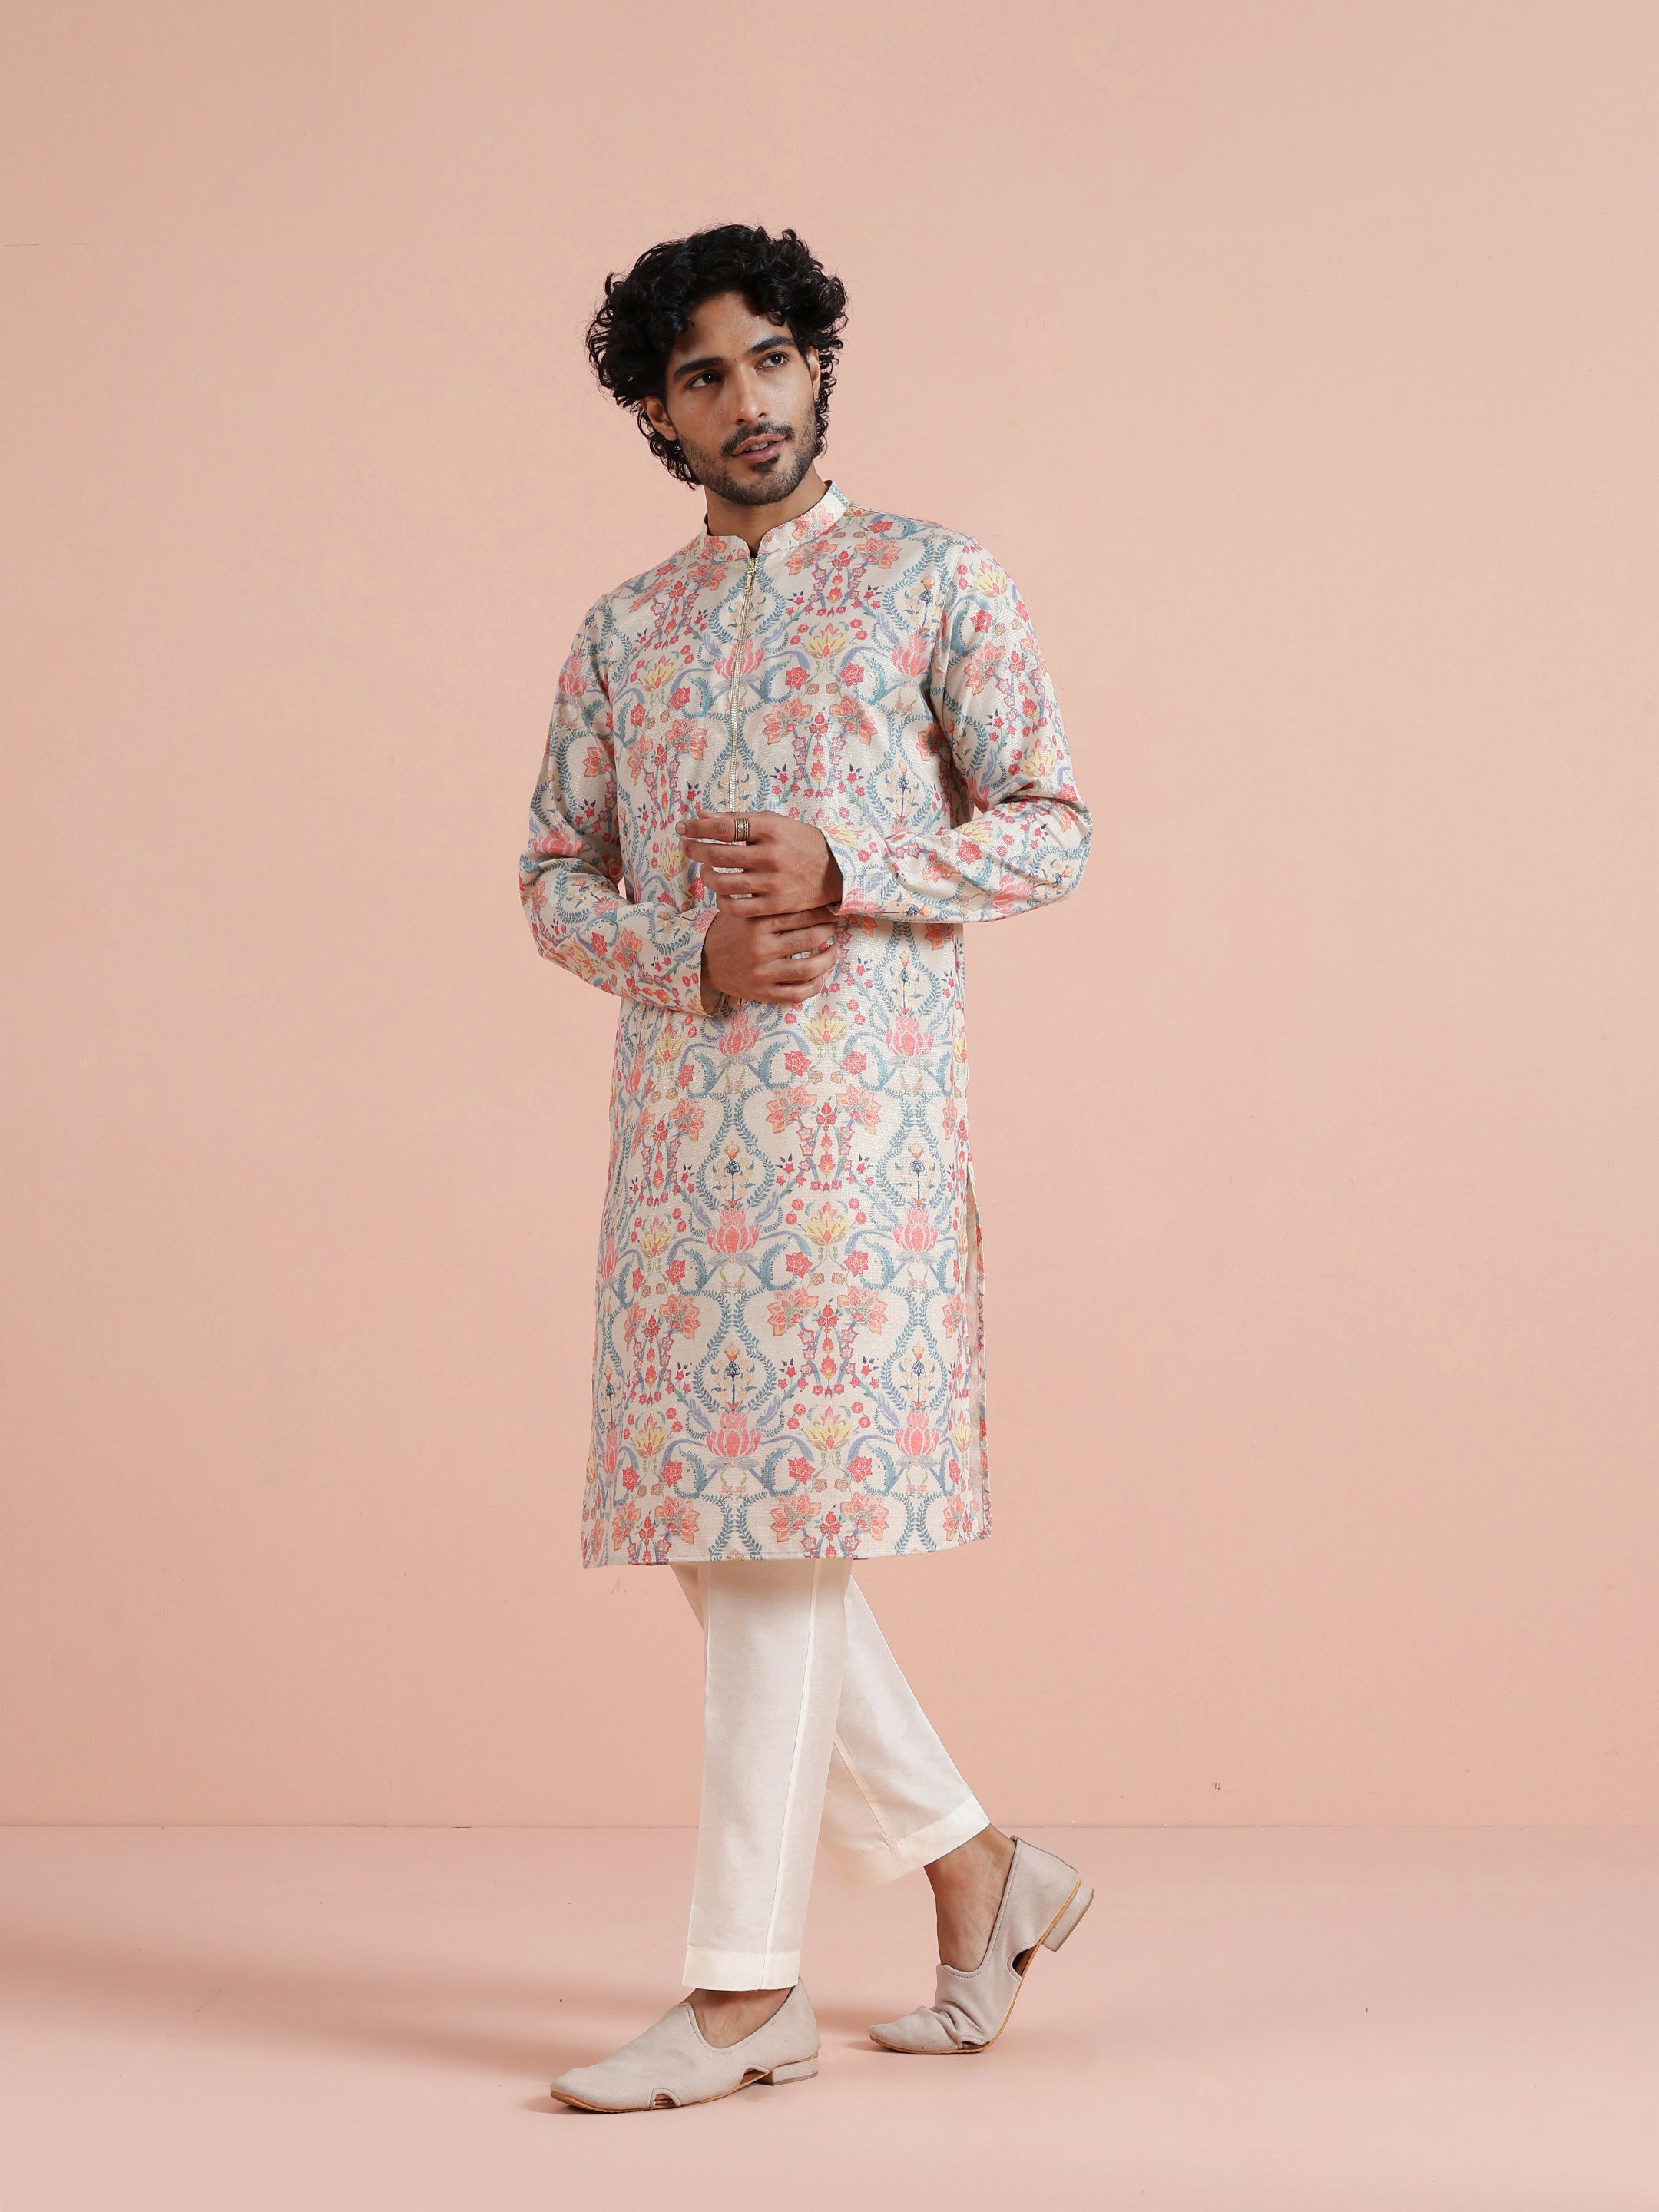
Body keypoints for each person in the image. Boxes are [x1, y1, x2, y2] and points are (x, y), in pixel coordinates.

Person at [518, 224, 1094, 2113]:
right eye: (703, 375)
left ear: (817, 364)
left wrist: (858, 869)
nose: (748, 400)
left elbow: (1052, 827)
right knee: (725, 1539)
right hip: (682, 1149)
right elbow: (551, 877)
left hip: (857, 1147)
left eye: (772, 358)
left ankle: (742, 1990)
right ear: (657, 411)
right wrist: (681, 955)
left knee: (770, 1550)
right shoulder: (626, 630)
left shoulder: (936, 580)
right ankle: (978, 1870)